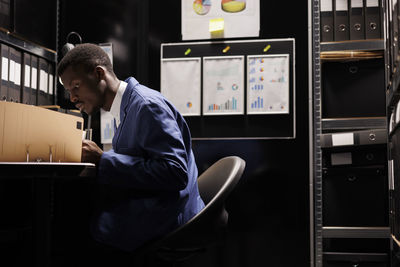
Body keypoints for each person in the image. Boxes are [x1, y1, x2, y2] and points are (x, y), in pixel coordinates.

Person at [57, 43, 205, 255]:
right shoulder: (126, 107)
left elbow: (175, 172)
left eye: (76, 86)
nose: (72, 98)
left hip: (172, 216)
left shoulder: (146, 105)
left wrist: (103, 159)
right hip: (160, 205)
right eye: (69, 91)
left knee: (77, 232)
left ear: (99, 74)